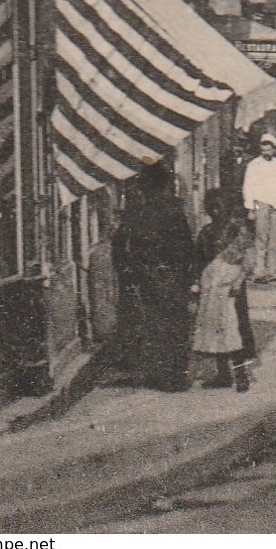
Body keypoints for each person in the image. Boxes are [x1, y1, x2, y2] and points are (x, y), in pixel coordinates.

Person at [109, 162, 196, 392]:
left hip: (147, 275)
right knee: (175, 324)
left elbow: (120, 245)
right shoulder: (173, 210)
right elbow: (187, 247)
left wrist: (127, 271)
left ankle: (156, 373)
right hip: (172, 275)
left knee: (153, 324)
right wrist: (189, 276)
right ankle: (174, 375)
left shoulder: (137, 211)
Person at [194, 225, 253, 392]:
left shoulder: (235, 267)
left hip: (224, 305)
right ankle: (224, 375)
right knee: (219, 339)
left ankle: (241, 376)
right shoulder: (219, 263)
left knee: (231, 339)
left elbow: (232, 281)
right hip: (212, 304)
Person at [242, 134, 276, 282]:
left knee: (275, 239)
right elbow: (248, 187)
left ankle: (272, 270)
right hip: (260, 202)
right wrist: (250, 208)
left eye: (269, 150)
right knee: (261, 237)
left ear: (273, 150)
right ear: (260, 150)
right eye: (263, 150)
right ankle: (259, 270)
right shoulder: (253, 165)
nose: (266, 153)